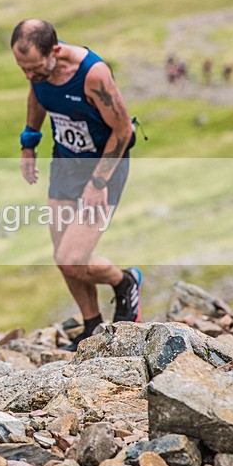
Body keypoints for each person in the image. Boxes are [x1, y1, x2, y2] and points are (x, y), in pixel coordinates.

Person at [10, 19, 141, 351]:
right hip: (65, 166)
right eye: (22, 68)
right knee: (61, 256)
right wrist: (29, 142)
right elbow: (37, 97)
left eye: (34, 68)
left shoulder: (93, 75)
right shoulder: (38, 71)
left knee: (72, 258)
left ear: (55, 51)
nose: (29, 75)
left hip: (103, 169)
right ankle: (92, 326)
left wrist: (98, 182)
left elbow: (124, 130)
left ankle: (125, 281)